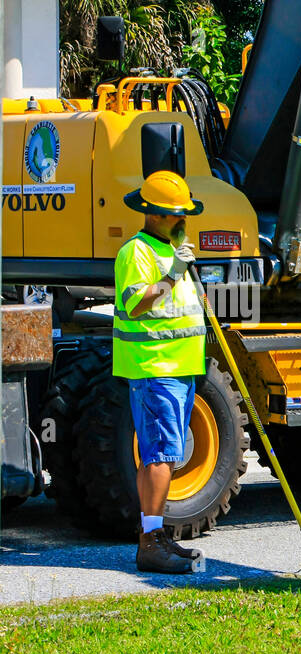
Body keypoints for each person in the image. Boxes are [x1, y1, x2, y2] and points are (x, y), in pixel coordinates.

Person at [115, 170, 207, 574]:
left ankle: (159, 535)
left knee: (168, 453)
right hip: (155, 368)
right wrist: (171, 274)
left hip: (181, 367)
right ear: (153, 215)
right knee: (158, 455)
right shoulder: (137, 252)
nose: (183, 221)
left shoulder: (173, 251)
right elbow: (136, 304)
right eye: (176, 215)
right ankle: (150, 542)